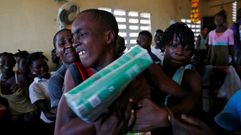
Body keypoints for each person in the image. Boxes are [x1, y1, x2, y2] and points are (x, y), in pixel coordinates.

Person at [55, 9, 171, 135]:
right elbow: (61, 131)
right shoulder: (76, 72)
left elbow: (182, 97)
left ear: (108, 37)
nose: (74, 43)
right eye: (74, 37)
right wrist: (117, 110)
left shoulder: (137, 64)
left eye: (82, 35)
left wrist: (166, 116)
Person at [145, 22, 202, 134]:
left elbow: (192, 101)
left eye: (186, 48)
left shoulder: (191, 76)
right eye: (174, 45)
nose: (180, 52)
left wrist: (162, 115)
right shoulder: (152, 68)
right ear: (164, 45)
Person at [48, 29, 78, 116]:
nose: (69, 45)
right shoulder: (56, 80)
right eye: (62, 43)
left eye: (72, 40)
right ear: (57, 52)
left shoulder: (91, 65)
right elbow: (61, 114)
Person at [27, 52, 55, 134]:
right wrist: (67, 114)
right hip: (52, 122)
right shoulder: (34, 87)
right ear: (32, 69)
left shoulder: (56, 75)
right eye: (38, 67)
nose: (43, 68)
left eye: (44, 65)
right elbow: (48, 114)